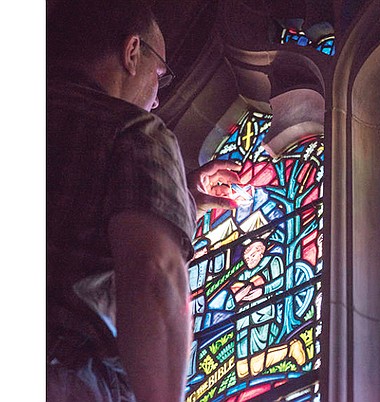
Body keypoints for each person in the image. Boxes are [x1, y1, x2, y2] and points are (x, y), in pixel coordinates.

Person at [46, 1, 242, 401]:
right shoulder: (132, 130)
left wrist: (183, 196)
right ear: (132, 51)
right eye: (161, 75)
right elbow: (154, 274)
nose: (155, 99)